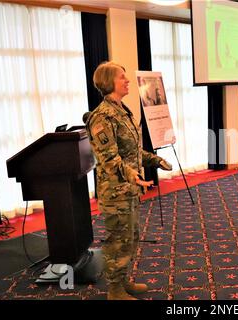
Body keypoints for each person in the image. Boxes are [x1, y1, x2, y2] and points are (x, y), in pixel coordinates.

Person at [84, 61, 172, 300]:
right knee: (117, 240)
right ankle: (114, 290)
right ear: (108, 82)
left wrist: (154, 160)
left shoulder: (122, 111)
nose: (127, 80)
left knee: (130, 237)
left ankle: (122, 282)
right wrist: (133, 175)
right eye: (122, 77)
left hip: (129, 189)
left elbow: (132, 152)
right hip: (115, 191)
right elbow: (110, 159)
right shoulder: (102, 116)